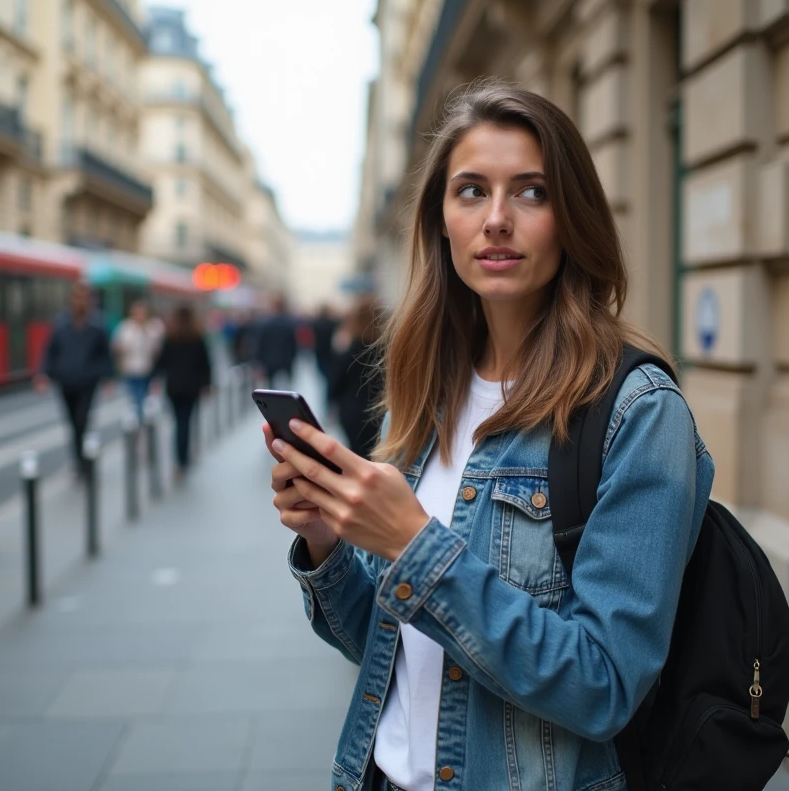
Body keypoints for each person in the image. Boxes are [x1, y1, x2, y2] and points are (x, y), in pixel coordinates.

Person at [263, 81, 715, 791]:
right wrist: (328, 540)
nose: (496, 219)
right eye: (471, 191)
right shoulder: (422, 397)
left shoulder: (637, 412)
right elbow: (382, 651)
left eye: (531, 192)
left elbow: (604, 685)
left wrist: (417, 547)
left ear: (571, 219)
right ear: (441, 219)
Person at [34, 281, 114, 482]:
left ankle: (85, 462)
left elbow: (105, 354)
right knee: (72, 423)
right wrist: (43, 374)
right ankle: (78, 461)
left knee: (82, 420)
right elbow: (50, 351)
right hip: (66, 380)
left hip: (87, 381)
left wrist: (108, 378)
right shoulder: (61, 322)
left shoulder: (97, 324)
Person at [151, 305, 213, 483]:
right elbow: (205, 363)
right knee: (186, 421)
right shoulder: (197, 337)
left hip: (174, 387)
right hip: (192, 387)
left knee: (178, 422)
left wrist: (154, 379)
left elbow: (161, 362)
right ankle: (183, 459)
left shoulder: (170, 337)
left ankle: (179, 460)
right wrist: (206, 384)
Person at [327, 297, 384, 461]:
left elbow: (335, 385)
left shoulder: (348, 350)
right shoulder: (388, 350)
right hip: (381, 411)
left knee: (357, 456)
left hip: (352, 412)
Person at [112, 299, 164, 417]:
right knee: (134, 398)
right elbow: (118, 347)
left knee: (144, 397)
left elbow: (157, 350)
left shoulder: (153, 328)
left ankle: (142, 419)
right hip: (130, 369)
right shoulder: (125, 328)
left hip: (147, 370)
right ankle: (138, 420)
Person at [253, 294, 298, 389]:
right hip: (286, 360)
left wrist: (258, 362)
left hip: (269, 361)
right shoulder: (290, 323)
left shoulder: (266, 323)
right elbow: (294, 344)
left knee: (271, 389)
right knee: (286, 388)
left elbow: (260, 344)